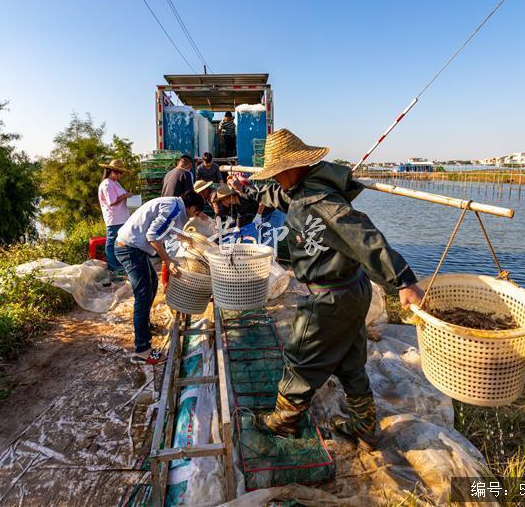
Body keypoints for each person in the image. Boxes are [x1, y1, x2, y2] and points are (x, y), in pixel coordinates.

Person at [235, 128, 424, 450]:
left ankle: (283, 422)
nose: (277, 180)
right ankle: (364, 428)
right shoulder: (305, 189)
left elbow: (365, 238)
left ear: (292, 168)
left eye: (278, 173)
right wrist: (249, 190)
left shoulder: (322, 202)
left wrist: (403, 280)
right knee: (351, 360)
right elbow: (280, 197)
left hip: (330, 298)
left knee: (300, 357)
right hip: (353, 291)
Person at [115, 191, 206, 365]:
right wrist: (168, 260)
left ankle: (145, 326)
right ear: (192, 207)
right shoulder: (173, 208)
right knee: (142, 295)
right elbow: (152, 236)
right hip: (129, 249)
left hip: (134, 248)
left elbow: (167, 228)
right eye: (195, 213)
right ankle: (142, 349)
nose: (193, 217)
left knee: (152, 284)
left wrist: (185, 237)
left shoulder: (173, 205)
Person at [97, 159, 132, 280]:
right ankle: (113, 266)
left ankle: (119, 264)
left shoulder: (115, 182)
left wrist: (126, 195)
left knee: (119, 242)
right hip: (114, 218)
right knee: (111, 243)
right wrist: (125, 196)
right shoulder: (107, 184)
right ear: (112, 171)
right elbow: (111, 202)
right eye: (119, 172)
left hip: (121, 218)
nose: (121, 175)